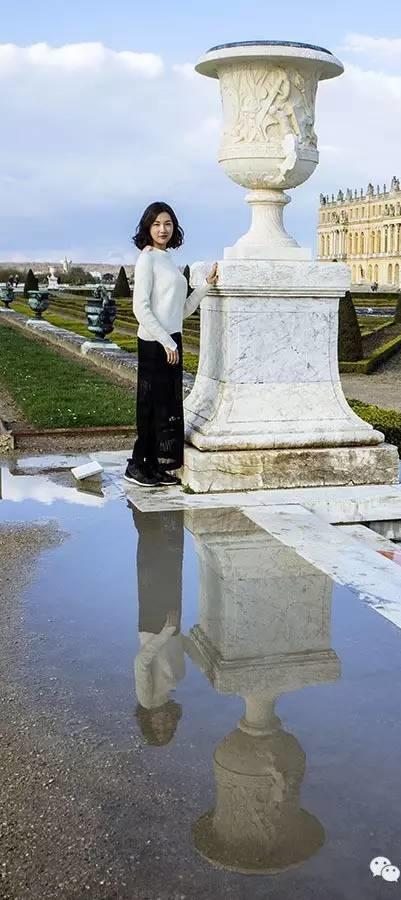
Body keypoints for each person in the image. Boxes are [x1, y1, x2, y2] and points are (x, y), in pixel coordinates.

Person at [125, 201, 218, 487]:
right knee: (150, 406)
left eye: (167, 223)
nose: (162, 229)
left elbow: (182, 310)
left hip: (170, 341)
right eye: (156, 224)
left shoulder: (168, 260)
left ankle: (154, 466)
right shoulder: (147, 258)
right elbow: (140, 308)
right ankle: (137, 466)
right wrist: (166, 342)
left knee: (166, 407)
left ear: (174, 226)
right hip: (155, 342)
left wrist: (206, 286)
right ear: (147, 228)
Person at [131, 505, 186, 746]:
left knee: (153, 562)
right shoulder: (174, 686)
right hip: (172, 627)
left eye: (158, 728)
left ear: (148, 721)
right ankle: (167, 512)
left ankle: (143, 512)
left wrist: (165, 630)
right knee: (173, 563)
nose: (164, 724)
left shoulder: (147, 700)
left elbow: (141, 662)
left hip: (154, 625)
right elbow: (179, 647)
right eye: (168, 729)